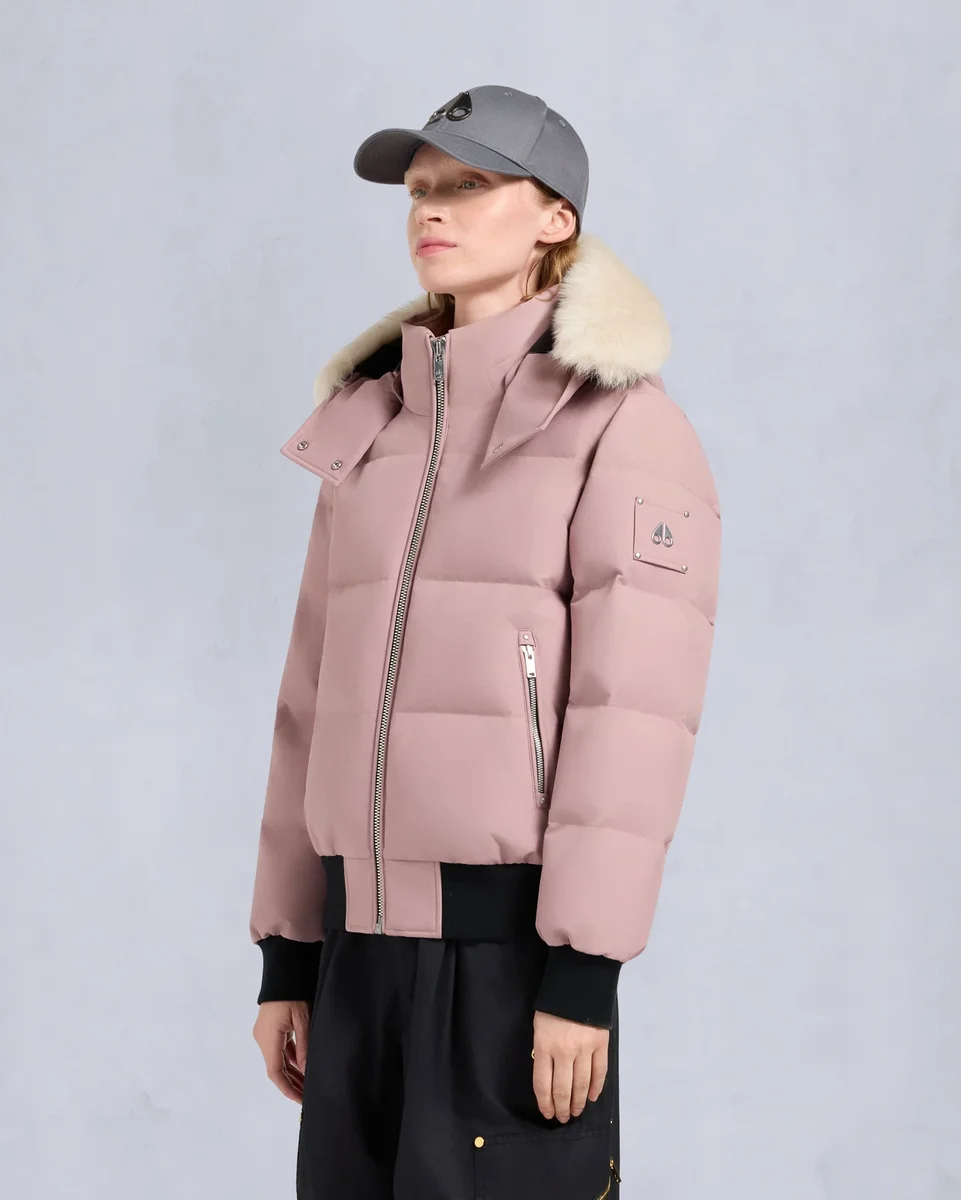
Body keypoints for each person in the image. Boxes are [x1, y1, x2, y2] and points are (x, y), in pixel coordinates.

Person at [249, 84, 722, 1199]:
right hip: (354, 960)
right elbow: (307, 703)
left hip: (509, 965)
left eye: (468, 184)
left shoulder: (621, 425)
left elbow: (633, 716)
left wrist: (582, 972)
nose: (431, 209)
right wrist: (290, 955)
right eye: (420, 189)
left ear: (556, 217)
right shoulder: (370, 428)